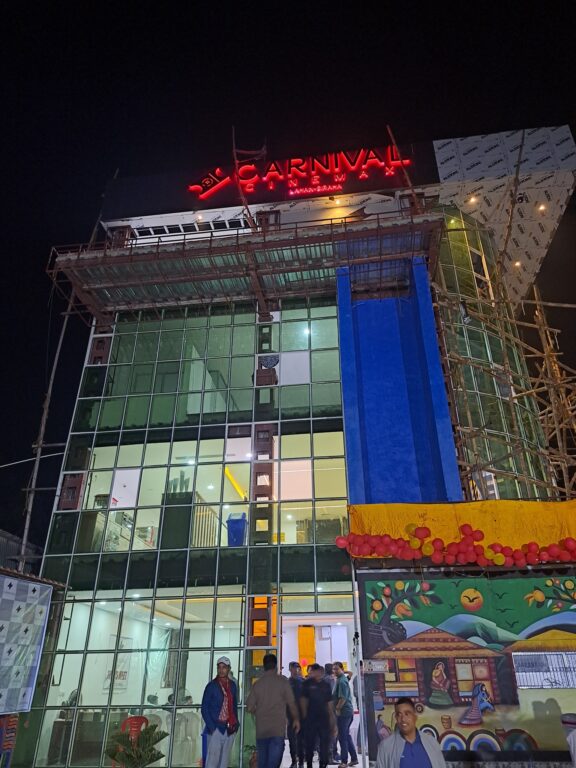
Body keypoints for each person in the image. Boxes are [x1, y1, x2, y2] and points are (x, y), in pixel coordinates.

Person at [246, 653, 300, 768]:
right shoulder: (283, 682)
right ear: (275, 666)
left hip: (262, 730)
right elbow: (291, 703)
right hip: (277, 729)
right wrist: (296, 719)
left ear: (264, 666)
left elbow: (249, 707)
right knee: (273, 763)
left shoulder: (258, 684)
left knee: (263, 762)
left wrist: (258, 712)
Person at [376, 697, 447, 768]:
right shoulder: (386, 747)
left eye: (407, 714)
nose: (403, 719)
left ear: (415, 717)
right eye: (399, 715)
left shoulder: (432, 742)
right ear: (396, 718)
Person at [201, 656, 239, 768]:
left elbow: (234, 706)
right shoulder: (211, 686)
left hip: (229, 729)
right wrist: (213, 728)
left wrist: (236, 725)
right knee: (212, 762)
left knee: (224, 762)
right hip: (216, 728)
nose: (221, 670)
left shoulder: (232, 685)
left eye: (224, 667)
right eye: (219, 667)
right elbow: (204, 708)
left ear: (229, 669)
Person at [301, 663, 336, 768]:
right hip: (310, 719)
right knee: (310, 744)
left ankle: (323, 764)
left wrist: (333, 722)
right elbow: (303, 702)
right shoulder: (307, 684)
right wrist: (303, 718)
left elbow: (329, 704)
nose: (317, 673)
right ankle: (309, 764)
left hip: (323, 720)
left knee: (324, 744)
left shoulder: (326, 685)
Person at [333, 661, 358, 768]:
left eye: (336, 669)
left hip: (344, 712)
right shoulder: (342, 679)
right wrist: (344, 671)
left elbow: (342, 698)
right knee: (346, 735)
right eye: (333, 669)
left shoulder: (342, 681)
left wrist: (337, 709)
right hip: (347, 712)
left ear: (341, 669)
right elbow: (351, 674)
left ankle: (344, 761)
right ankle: (354, 758)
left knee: (342, 737)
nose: (334, 671)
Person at [287, 661, 305, 768]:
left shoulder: (302, 681)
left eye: (297, 667)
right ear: (290, 669)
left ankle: (301, 762)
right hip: (290, 716)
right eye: (294, 667)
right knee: (292, 740)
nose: (296, 669)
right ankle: (294, 761)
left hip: (302, 716)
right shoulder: (287, 683)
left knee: (301, 740)